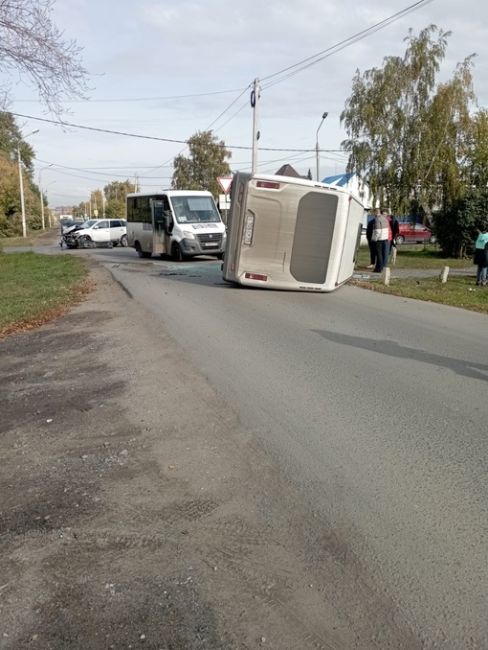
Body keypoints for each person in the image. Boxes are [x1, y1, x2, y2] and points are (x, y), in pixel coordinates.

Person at [371, 208, 390, 272]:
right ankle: (380, 267)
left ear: (375, 212)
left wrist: (375, 239)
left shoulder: (377, 219)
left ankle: (379, 268)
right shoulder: (385, 219)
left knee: (379, 255)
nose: (373, 214)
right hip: (385, 238)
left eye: (373, 213)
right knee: (382, 254)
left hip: (379, 239)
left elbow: (377, 231)